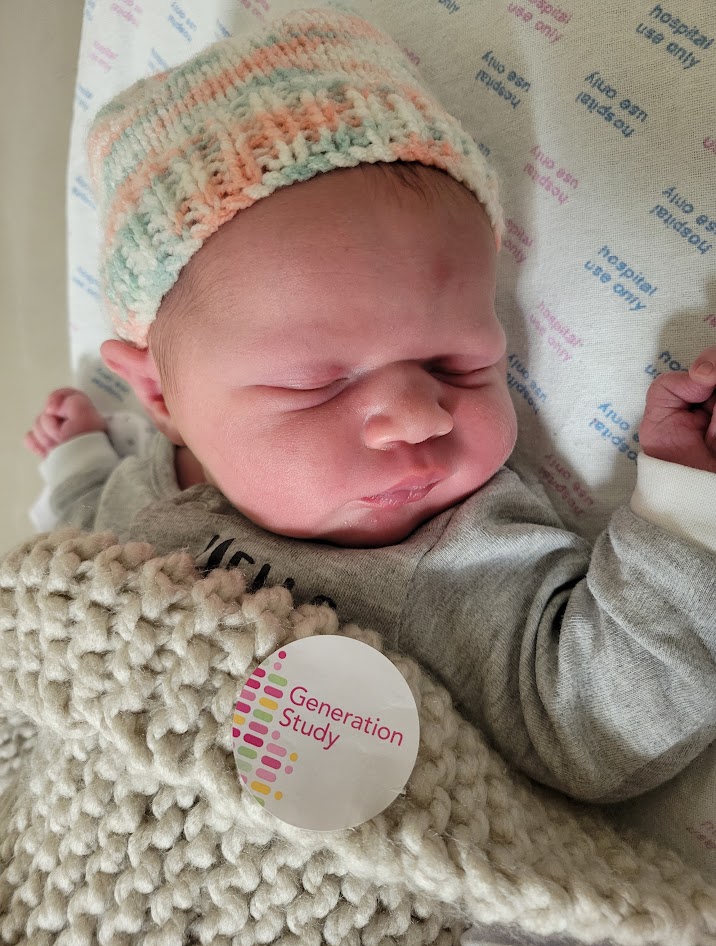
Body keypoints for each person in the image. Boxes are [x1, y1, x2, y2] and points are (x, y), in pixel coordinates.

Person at [25, 7, 716, 805]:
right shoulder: (145, 487)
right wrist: (79, 458)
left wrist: (684, 505)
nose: (422, 418)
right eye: (319, 385)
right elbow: (74, 555)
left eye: (458, 364)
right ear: (157, 395)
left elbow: (598, 729)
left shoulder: (464, 565)